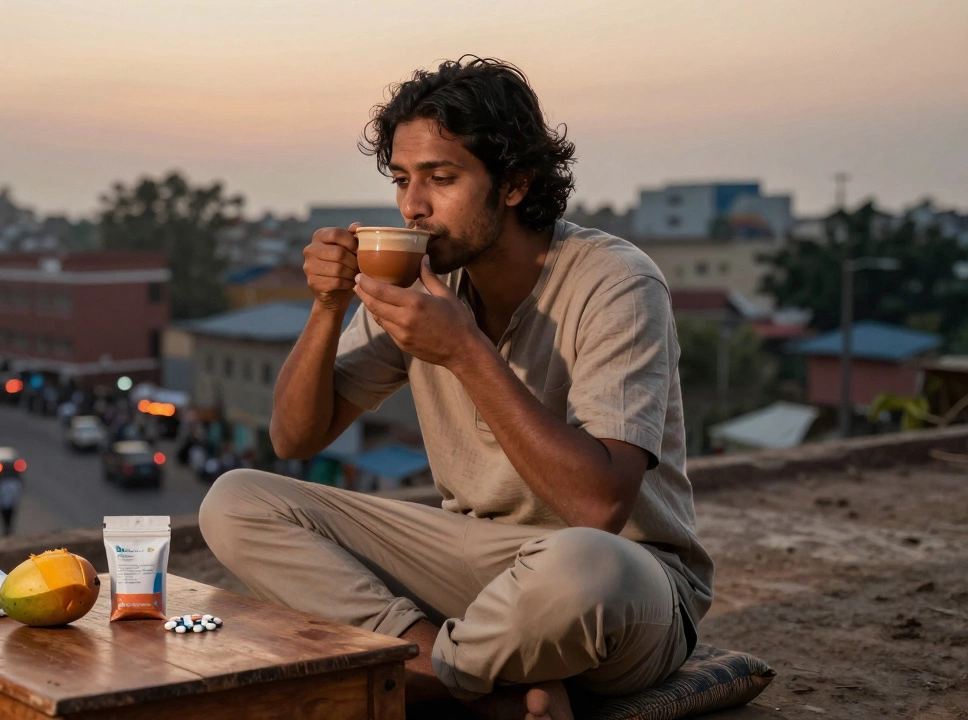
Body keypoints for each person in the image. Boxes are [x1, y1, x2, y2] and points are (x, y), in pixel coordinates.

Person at [198, 57, 712, 720]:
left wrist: (466, 352)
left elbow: (597, 508)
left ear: (515, 184)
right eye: (402, 180)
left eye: (441, 178)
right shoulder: (421, 281)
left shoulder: (615, 282)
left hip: (626, 588)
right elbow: (295, 437)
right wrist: (328, 305)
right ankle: (464, 675)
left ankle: (426, 679)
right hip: (478, 573)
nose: (414, 205)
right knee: (235, 500)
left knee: (587, 566)